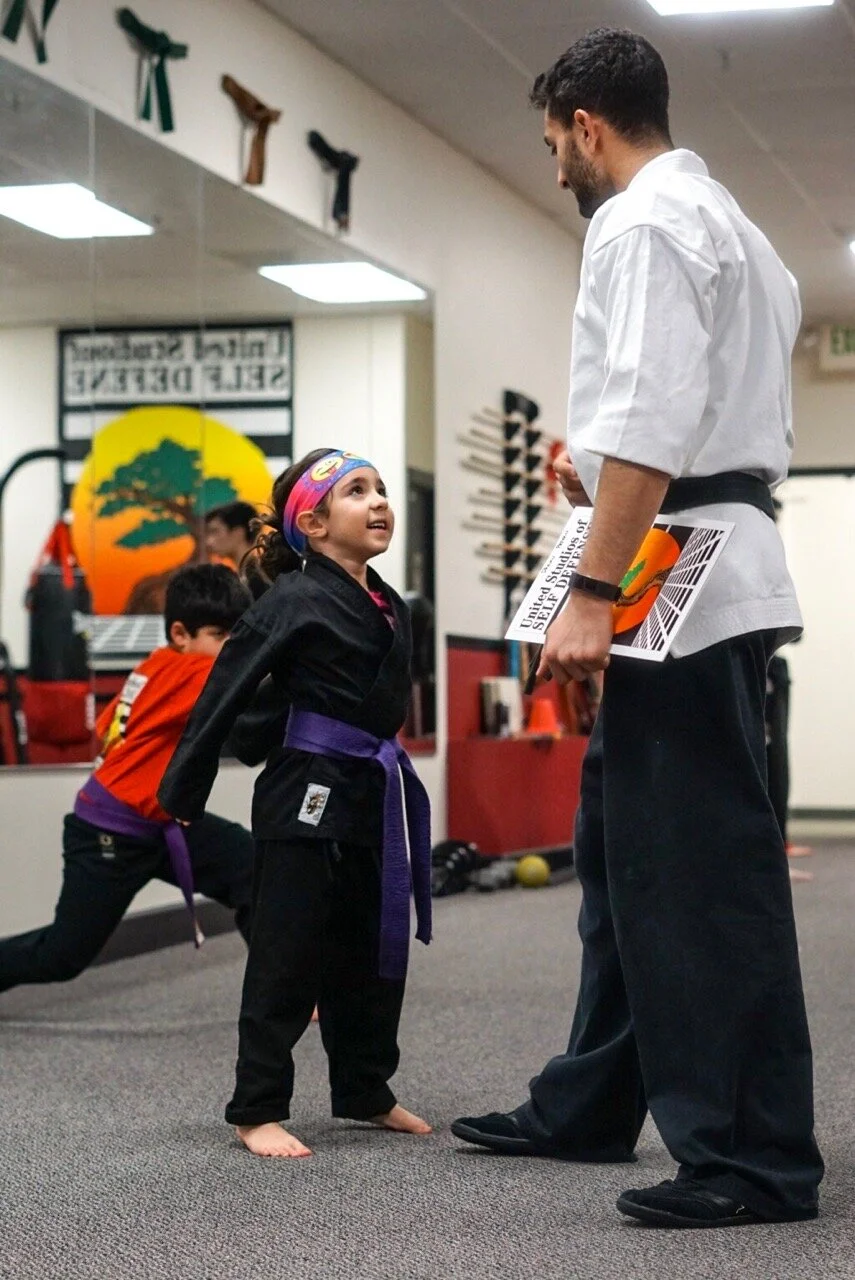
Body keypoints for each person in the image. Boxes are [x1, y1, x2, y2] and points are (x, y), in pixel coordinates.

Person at [452, 27, 823, 1229]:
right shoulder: (743, 236)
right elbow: (674, 414)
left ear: (588, 124)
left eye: (556, 144)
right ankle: (590, 1098)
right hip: (698, 553)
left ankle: (755, 1157)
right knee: (624, 862)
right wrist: (601, 490)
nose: (558, 168)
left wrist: (593, 593)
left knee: (699, 880)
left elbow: (659, 414)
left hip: (682, 580)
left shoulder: (644, 222)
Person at [158, 448, 433, 1159]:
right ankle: (256, 1109)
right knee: (287, 950)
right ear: (311, 523)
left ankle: (365, 1089)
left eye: (378, 489)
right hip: (304, 790)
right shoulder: (290, 599)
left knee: (370, 947)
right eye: (354, 492)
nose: (377, 502)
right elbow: (228, 689)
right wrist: (183, 789)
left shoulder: (388, 602)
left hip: (369, 789)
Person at [0, 564, 255, 994]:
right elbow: (255, 673)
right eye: (220, 635)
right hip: (110, 832)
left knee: (253, 868)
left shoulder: (154, 667)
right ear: (180, 634)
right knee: (62, 956)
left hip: (161, 821)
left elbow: (107, 728)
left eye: (237, 635)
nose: (232, 647)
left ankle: (282, 991)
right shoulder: (191, 672)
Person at [204, 501, 258, 569]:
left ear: (238, 533)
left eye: (215, 532)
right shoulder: (241, 574)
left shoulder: (261, 575)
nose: (208, 542)